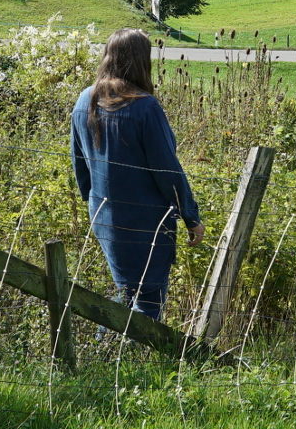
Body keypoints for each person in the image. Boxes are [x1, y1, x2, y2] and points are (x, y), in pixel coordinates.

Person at [70, 28, 204, 320]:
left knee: (127, 291)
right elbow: (167, 170)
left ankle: (109, 354)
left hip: (103, 213)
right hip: (146, 221)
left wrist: (92, 202)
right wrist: (190, 216)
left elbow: (79, 163)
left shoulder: (85, 101)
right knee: (146, 300)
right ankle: (126, 357)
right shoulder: (144, 107)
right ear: (143, 60)